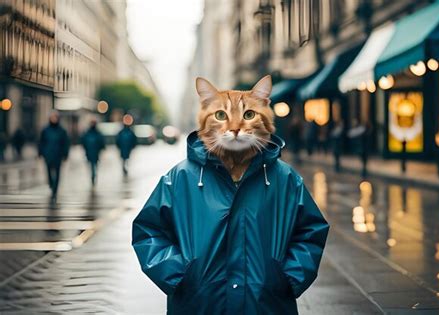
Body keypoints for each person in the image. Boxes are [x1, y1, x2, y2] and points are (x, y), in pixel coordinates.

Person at [132, 75, 329, 314]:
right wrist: (178, 275)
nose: (235, 128)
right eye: (221, 115)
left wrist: (288, 277)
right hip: (199, 305)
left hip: (267, 306)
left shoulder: (284, 178)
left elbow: (311, 231)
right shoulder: (180, 177)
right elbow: (148, 231)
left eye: (248, 115)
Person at [38, 111, 70, 199]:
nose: (54, 119)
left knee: (57, 172)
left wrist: (65, 153)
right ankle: (51, 184)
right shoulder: (45, 130)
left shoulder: (62, 131)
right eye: (52, 117)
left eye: (55, 117)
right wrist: (40, 152)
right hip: (48, 154)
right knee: (48, 171)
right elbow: (41, 142)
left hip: (58, 155)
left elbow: (65, 143)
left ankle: (55, 189)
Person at [81, 118, 105, 185]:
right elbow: (83, 142)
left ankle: (94, 175)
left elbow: (101, 142)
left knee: (94, 164)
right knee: (91, 165)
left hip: (96, 152)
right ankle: (93, 175)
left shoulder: (97, 133)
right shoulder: (87, 133)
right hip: (89, 152)